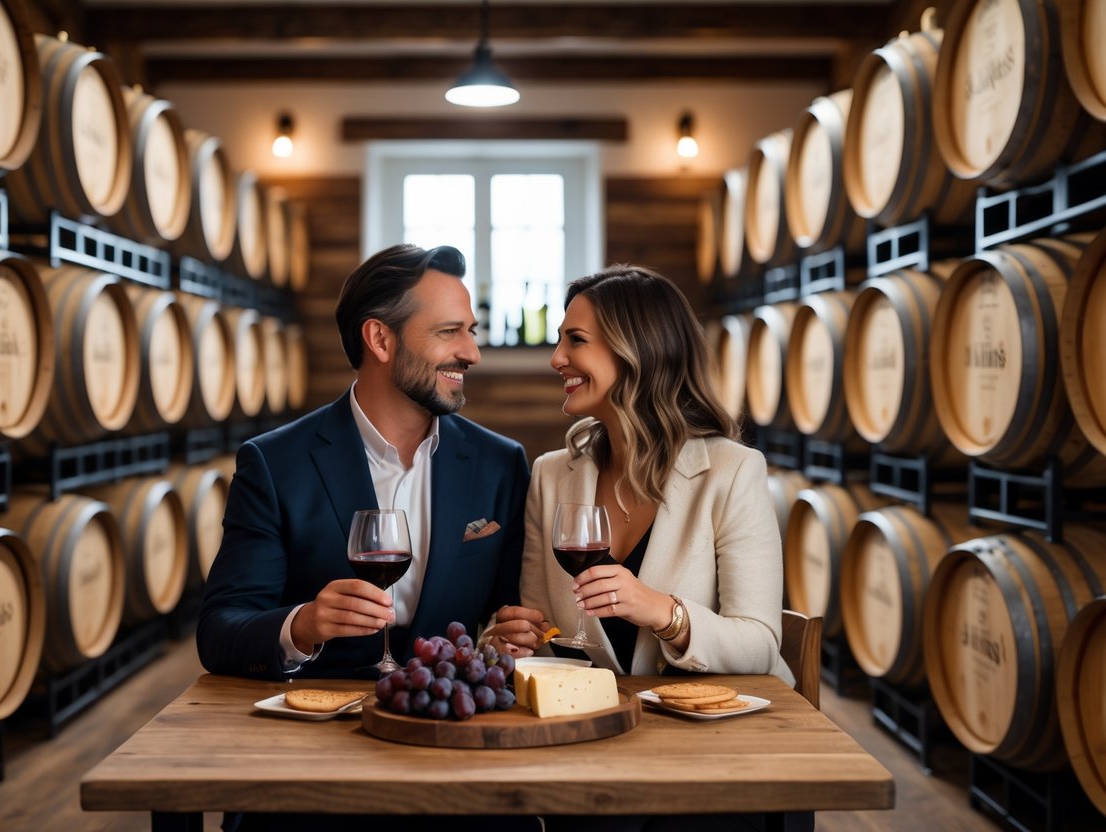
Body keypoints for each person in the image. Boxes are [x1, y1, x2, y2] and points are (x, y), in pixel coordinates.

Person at [198, 242, 547, 684]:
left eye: (471, 331)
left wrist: (502, 639)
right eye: (449, 331)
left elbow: (505, 616)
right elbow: (219, 632)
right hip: (317, 728)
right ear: (380, 339)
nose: (471, 353)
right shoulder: (274, 463)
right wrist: (303, 625)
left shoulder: (500, 463)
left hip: (451, 724)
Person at [520, 264, 793, 684]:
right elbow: (542, 632)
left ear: (637, 350)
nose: (556, 358)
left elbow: (759, 646)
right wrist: (507, 638)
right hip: (597, 727)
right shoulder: (549, 475)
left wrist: (663, 612)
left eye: (576, 340)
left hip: (715, 732)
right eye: (559, 340)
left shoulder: (733, 472)